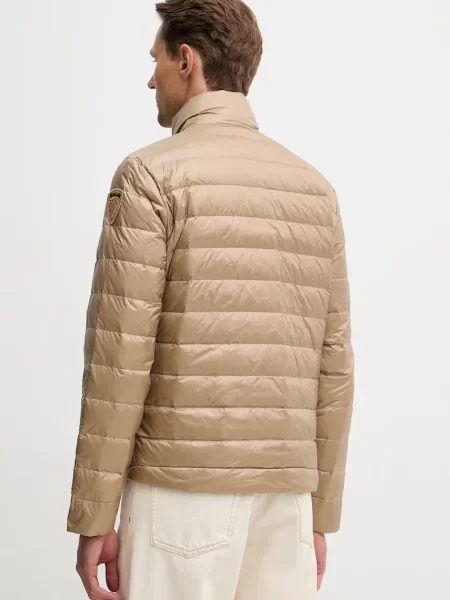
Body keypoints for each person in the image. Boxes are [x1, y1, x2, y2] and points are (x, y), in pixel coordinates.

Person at [67, 1, 355, 598]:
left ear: (187, 60)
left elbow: (119, 360)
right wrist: (319, 514)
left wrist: (95, 515)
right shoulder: (315, 190)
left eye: (156, 60)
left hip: (178, 498)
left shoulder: (150, 176)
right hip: (285, 501)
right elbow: (334, 367)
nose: (151, 79)